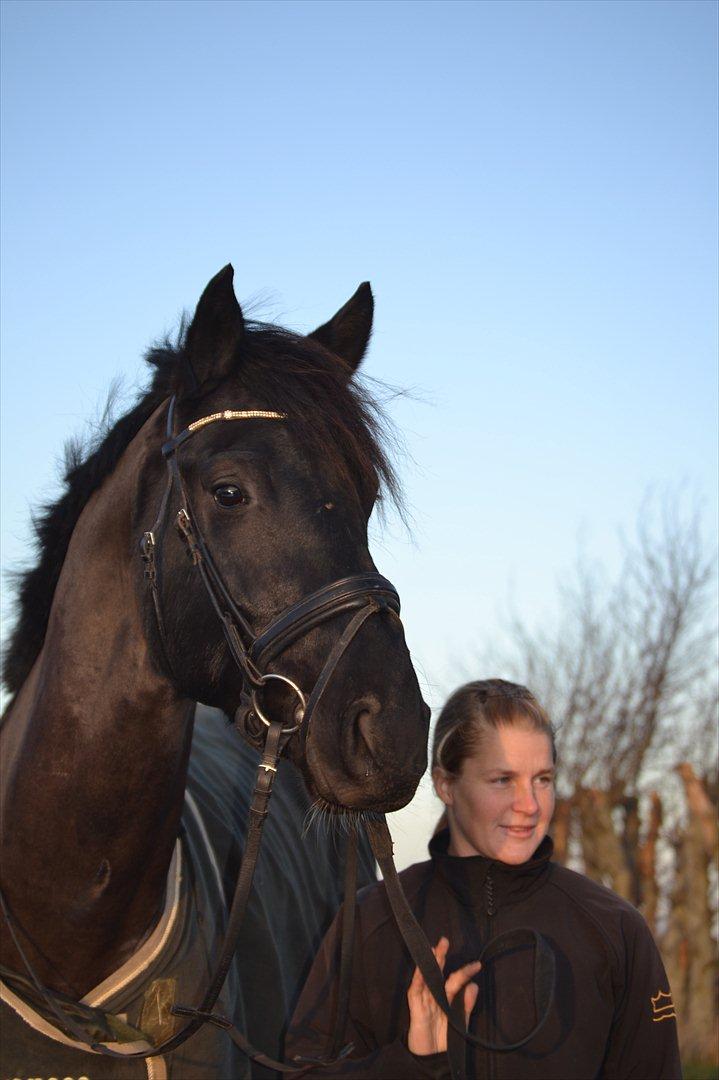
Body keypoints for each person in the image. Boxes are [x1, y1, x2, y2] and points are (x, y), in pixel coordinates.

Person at [285, 679, 682, 1079]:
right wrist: (413, 1065)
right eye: (502, 780)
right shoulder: (372, 920)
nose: (529, 805)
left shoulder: (614, 928)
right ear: (446, 785)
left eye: (543, 779)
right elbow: (301, 1071)